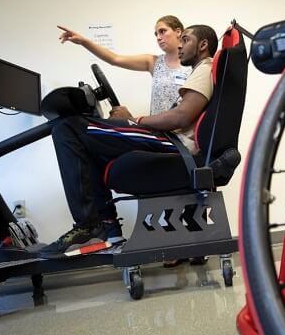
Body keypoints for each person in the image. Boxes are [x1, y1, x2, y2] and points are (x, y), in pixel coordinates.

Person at [40, 25, 218, 259]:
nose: (181, 45)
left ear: (202, 45)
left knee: (69, 127)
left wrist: (133, 120)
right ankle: (108, 226)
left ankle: (88, 223)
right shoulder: (177, 66)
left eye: (185, 39)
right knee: (84, 139)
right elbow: (115, 59)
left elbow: (181, 116)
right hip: (168, 138)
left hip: (175, 145)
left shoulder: (204, 69)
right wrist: (84, 41)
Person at [57, 15, 191, 115]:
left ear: (178, 31)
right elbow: (114, 59)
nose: (158, 37)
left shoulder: (194, 65)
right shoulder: (154, 62)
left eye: (163, 31)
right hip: (157, 131)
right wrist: (84, 41)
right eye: (156, 34)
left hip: (179, 135)